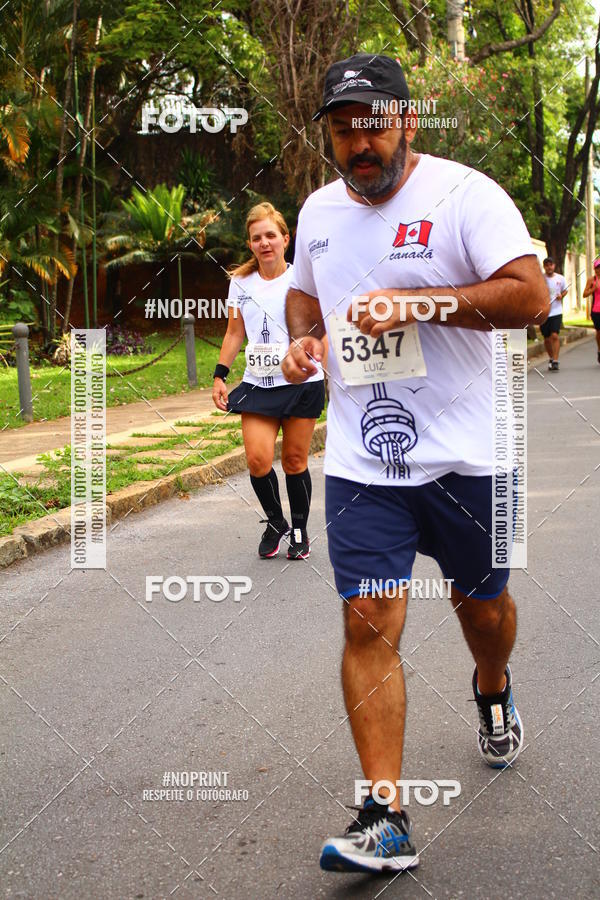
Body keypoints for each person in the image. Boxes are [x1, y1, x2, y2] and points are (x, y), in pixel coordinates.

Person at [282, 53, 549, 874]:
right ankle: (384, 813)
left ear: (406, 120)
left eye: (372, 124)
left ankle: (492, 687)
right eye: (341, 128)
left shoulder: (466, 196)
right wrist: (302, 338)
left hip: (470, 456)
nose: (359, 143)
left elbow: (530, 295)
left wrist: (420, 302)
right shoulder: (319, 210)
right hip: (367, 460)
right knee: (369, 620)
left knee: (485, 609)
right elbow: (303, 288)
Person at [212, 202, 325, 559]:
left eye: (271, 236)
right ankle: (276, 522)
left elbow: (321, 328)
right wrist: (219, 374)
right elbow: (233, 333)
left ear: (285, 239)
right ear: (250, 244)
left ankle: (300, 530)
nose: (264, 243)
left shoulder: (302, 279)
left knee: (294, 461)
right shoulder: (240, 283)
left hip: (302, 384)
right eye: (257, 238)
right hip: (258, 383)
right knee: (258, 461)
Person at [541, 257, 568, 370]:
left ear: (554, 266)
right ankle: (551, 358)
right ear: (544, 267)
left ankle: (556, 361)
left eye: (551, 264)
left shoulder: (560, 278)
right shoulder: (540, 279)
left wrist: (561, 296)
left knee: (555, 335)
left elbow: (565, 290)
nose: (549, 267)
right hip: (543, 312)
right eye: (546, 265)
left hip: (556, 311)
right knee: (547, 339)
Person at [582, 256, 600, 364]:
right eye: (597, 268)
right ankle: (599, 350)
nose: (599, 270)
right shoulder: (592, 280)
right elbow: (584, 294)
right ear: (595, 269)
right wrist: (593, 288)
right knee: (599, 332)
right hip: (596, 310)